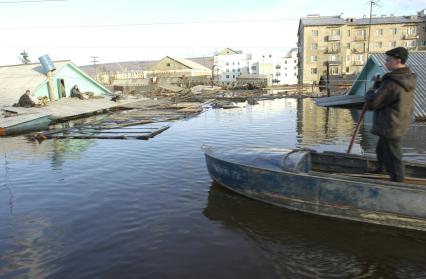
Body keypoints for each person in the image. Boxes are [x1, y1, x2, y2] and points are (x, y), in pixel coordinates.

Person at [365, 47, 416, 182]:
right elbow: (392, 94)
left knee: (394, 157)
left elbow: (374, 103)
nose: (386, 62)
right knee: (381, 149)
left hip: (391, 124)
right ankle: (381, 169)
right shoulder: (406, 76)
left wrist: (370, 92)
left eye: (388, 60)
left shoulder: (392, 81)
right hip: (399, 120)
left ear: (398, 60)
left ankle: (398, 184)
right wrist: (379, 85)